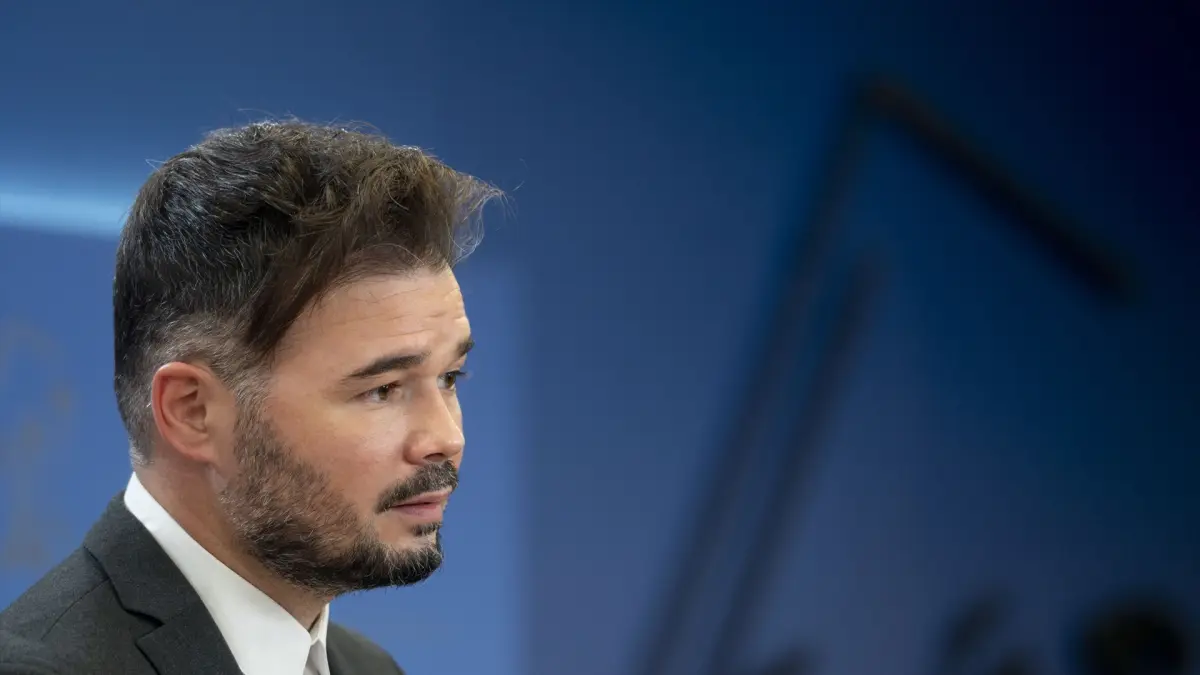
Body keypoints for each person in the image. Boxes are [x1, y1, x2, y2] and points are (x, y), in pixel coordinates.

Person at [0, 120, 500, 674]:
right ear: (192, 412)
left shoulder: (368, 667)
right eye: (382, 390)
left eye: (449, 378)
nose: (446, 438)